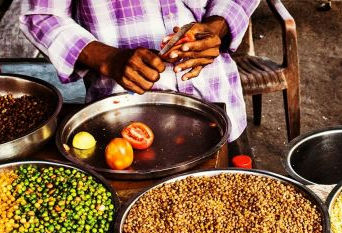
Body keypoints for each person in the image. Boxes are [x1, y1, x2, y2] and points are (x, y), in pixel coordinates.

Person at [19, 0, 259, 153]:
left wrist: (217, 26)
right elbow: (41, 14)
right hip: (122, 127)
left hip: (218, 100)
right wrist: (108, 59)